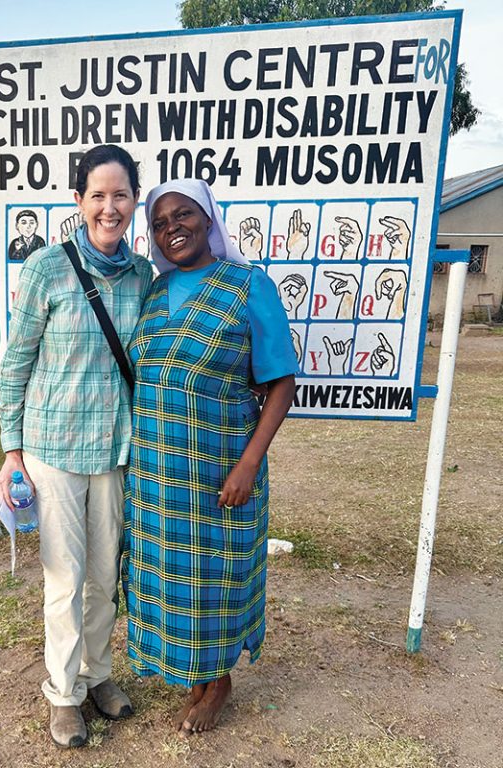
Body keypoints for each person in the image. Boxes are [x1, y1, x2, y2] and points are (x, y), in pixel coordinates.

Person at [123, 179, 297, 737]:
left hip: (220, 467)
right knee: (172, 576)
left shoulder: (248, 286)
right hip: (155, 471)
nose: (172, 227)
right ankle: (189, 671)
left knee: (216, 575)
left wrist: (248, 464)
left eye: (184, 215)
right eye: (158, 221)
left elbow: (281, 383)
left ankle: (217, 680)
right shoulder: (154, 292)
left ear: (209, 220)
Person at [0, 145, 153, 749]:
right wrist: (13, 452)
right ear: (79, 201)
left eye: (120, 195)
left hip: (115, 452)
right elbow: (16, 364)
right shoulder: (46, 268)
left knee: (103, 576)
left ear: (134, 200)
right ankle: (63, 696)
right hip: (53, 450)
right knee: (64, 579)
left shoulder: (142, 276)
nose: (109, 207)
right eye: (97, 195)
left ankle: (96, 677)